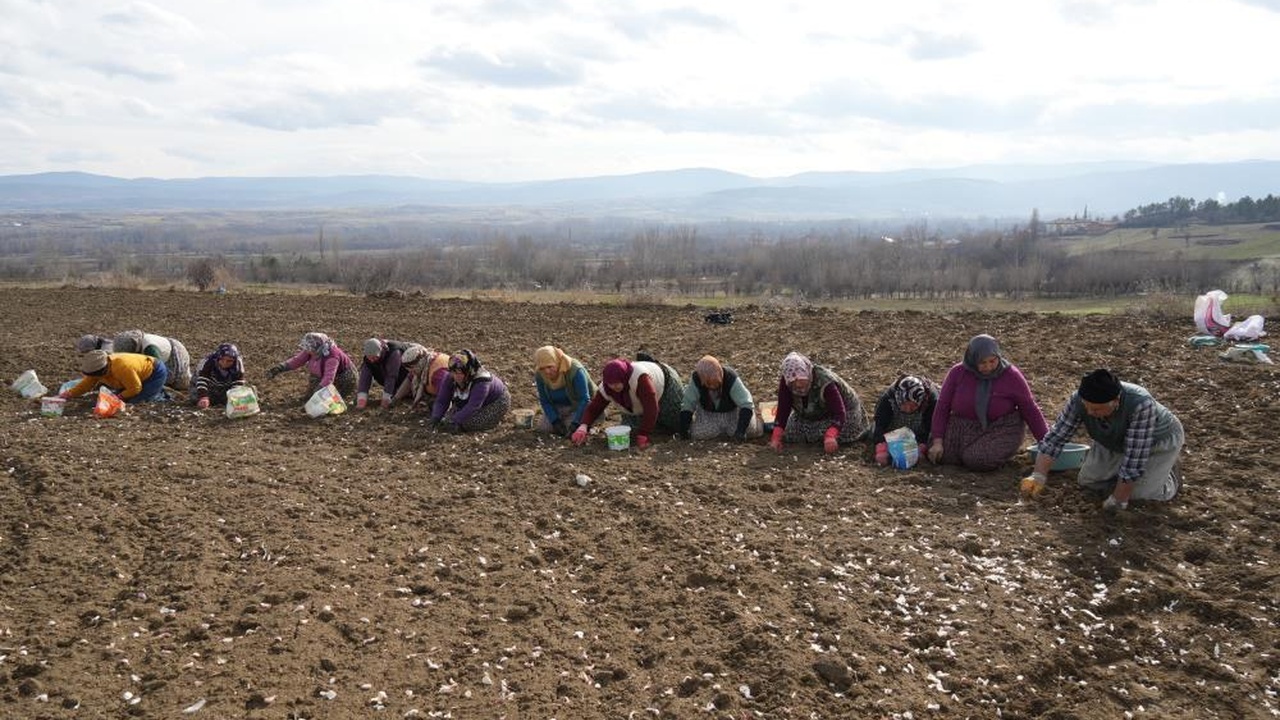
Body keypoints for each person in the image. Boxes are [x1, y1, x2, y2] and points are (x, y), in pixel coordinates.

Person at [1021, 368, 1184, 510]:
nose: (1090, 413)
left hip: (1155, 441)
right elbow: (1056, 437)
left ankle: (1170, 475)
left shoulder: (1141, 404)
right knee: (1089, 482)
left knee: (1139, 495)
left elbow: (1135, 457)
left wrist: (1119, 500)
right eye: (1087, 406)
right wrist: (1038, 475)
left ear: (1116, 401)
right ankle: (1133, 477)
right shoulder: (1078, 399)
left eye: (1097, 409)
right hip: (1111, 437)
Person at [928, 334, 1048, 471]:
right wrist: (938, 440)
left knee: (976, 459)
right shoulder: (958, 373)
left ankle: (994, 451)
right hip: (964, 424)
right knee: (940, 454)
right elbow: (943, 406)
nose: (988, 367)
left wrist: (1047, 444)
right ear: (972, 360)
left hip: (1000, 427)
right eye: (982, 363)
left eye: (992, 361)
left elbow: (1030, 409)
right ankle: (966, 451)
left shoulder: (1011, 376)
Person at [571, 355, 685, 449]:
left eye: (618, 382)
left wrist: (644, 434)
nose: (615, 386)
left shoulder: (640, 379)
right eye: (611, 383)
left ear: (624, 377)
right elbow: (594, 408)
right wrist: (583, 426)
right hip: (634, 404)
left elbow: (651, 407)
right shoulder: (606, 388)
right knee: (632, 430)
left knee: (675, 423)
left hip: (665, 386)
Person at [768, 352, 869, 454]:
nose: (798, 386)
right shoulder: (786, 383)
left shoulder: (825, 382)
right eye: (794, 384)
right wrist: (776, 437)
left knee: (827, 434)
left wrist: (831, 435)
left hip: (844, 414)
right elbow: (783, 411)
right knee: (791, 433)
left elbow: (839, 413)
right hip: (811, 414)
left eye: (802, 381)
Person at [678, 355, 763, 442]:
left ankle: (758, 421)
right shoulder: (696, 379)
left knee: (749, 430)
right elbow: (687, 405)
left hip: (733, 412)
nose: (713, 386)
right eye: (709, 384)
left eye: (716, 383)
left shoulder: (731, 378)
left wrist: (740, 431)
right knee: (697, 434)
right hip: (709, 414)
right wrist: (683, 431)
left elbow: (746, 404)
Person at [429, 350, 511, 432]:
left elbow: (473, 406)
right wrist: (436, 417)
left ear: (468, 371)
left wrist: (454, 421)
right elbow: (442, 400)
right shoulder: (450, 377)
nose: (456, 376)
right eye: (453, 372)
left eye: (459, 373)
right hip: (470, 401)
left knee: (469, 422)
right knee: (446, 419)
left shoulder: (481, 381)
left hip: (495, 402)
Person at [265, 332, 357, 402]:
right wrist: (280, 368)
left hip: (343, 377)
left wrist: (319, 391)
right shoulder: (312, 350)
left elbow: (329, 377)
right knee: (310, 397)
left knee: (328, 400)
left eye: (310, 349)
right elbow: (297, 360)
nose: (308, 351)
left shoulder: (332, 357)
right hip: (321, 373)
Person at [871, 374, 940, 466]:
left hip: (919, 429)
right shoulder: (888, 399)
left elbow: (930, 428)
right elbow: (879, 425)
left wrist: (920, 448)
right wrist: (881, 449)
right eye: (904, 404)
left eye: (913, 405)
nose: (908, 409)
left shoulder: (931, 401)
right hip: (893, 430)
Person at [60, 349, 169, 404]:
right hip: (134, 376)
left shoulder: (122, 368)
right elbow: (86, 385)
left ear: (103, 370)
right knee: (119, 398)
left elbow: (135, 388)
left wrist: (119, 398)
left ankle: (160, 394)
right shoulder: (97, 368)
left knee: (136, 401)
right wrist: (69, 394)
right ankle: (152, 390)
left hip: (154, 372)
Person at [533, 345, 597, 437]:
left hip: (578, 406)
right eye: (542, 368)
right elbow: (544, 400)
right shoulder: (540, 375)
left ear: (557, 362)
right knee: (544, 428)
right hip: (558, 406)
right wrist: (555, 421)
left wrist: (576, 423)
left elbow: (585, 399)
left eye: (550, 367)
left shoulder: (575, 370)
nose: (546, 372)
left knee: (571, 429)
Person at [112, 329, 193, 391]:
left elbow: (160, 369)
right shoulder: (133, 343)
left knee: (180, 384)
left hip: (174, 353)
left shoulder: (150, 348)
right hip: (158, 354)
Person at [356, 338, 412, 410]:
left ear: (380, 351)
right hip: (392, 372)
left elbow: (391, 377)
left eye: (374, 357)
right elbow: (364, 379)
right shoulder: (368, 359)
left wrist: (385, 400)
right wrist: (361, 400)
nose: (372, 361)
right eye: (370, 358)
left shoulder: (394, 353)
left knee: (403, 394)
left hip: (406, 370)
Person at [392, 344, 450, 411]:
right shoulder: (425, 363)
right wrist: (395, 399)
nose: (412, 372)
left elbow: (447, 394)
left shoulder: (437, 374)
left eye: (412, 369)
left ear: (418, 365)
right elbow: (409, 379)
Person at [194, 343, 245, 409]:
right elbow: (202, 380)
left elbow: (238, 382)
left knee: (237, 398)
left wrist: (234, 397)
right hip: (209, 384)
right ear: (218, 358)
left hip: (226, 385)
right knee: (195, 398)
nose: (225, 363)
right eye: (222, 359)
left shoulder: (238, 365)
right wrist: (203, 397)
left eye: (229, 361)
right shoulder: (208, 362)